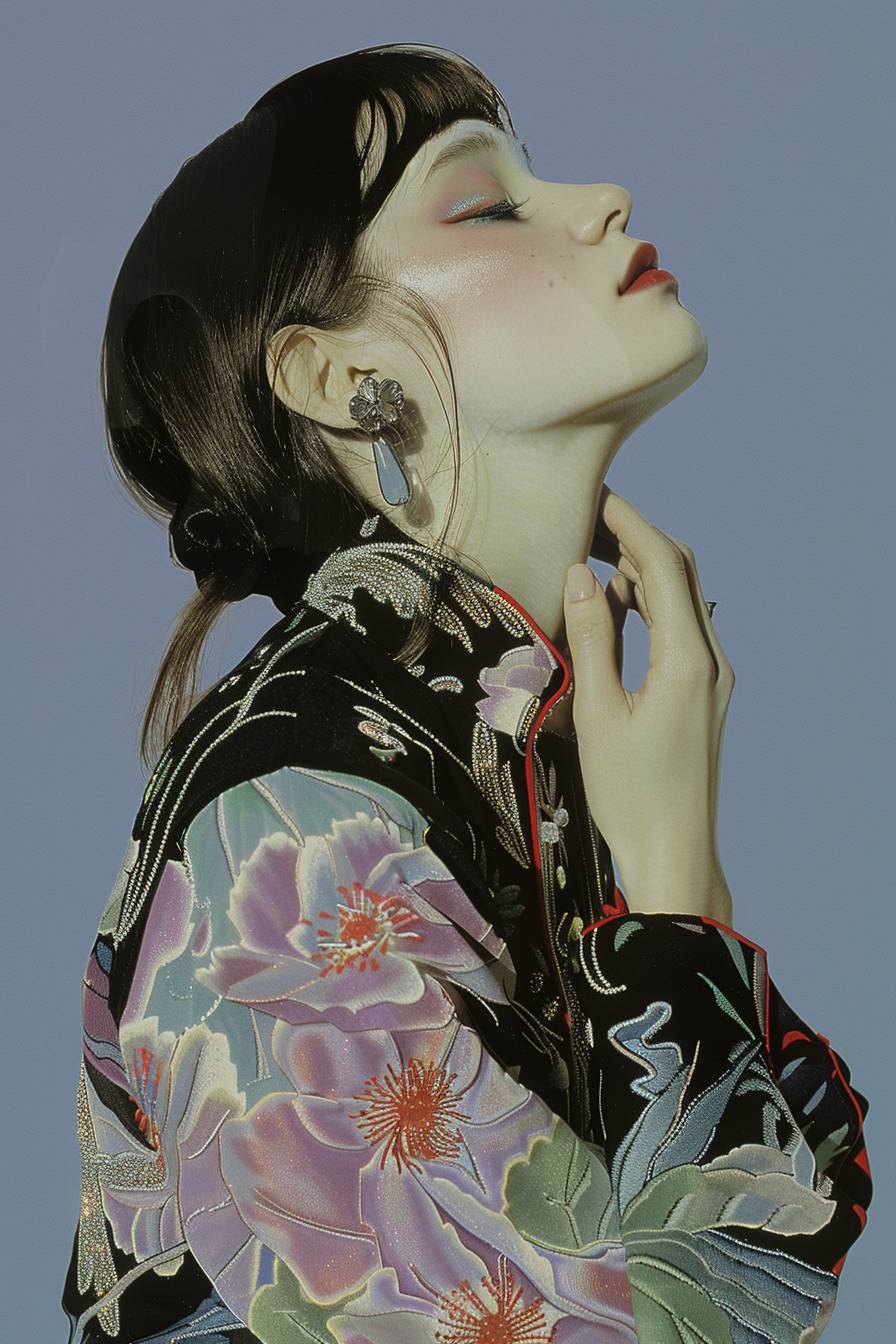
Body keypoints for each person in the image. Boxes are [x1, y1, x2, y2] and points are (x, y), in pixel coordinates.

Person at [61, 42, 872, 1344]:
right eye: (489, 202)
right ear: (339, 379)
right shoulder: (295, 814)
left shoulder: (512, 761)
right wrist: (676, 905)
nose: (602, 199)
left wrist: (671, 890)